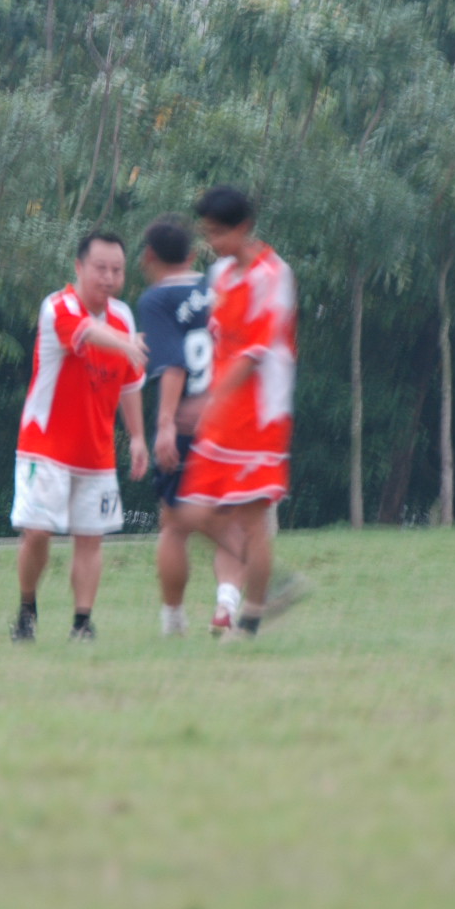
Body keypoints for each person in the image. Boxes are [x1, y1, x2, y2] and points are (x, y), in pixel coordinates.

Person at [9, 232, 149, 642]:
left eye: (117, 270)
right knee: (37, 532)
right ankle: (27, 609)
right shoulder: (58, 307)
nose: (109, 278)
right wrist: (126, 343)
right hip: (45, 446)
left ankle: (82, 623)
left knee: (91, 538)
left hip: (96, 451)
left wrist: (137, 437)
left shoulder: (123, 317)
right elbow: (86, 332)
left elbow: (130, 384)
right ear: (79, 268)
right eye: (100, 268)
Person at [174, 187, 298, 640]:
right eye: (207, 234)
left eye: (218, 233)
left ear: (243, 228)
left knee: (251, 521)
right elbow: (219, 342)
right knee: (190, 513)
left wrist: (207, 398)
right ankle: (278, 581)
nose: (212, 243)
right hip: (222, 413)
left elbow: (253, 352)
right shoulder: (220, 274)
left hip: (260, 417)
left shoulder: (273, 274)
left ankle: (251, 619)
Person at [135, 215, 245, 637]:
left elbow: (173, 363)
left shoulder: (157, 299)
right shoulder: (219, 287)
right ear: (194, 254)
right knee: (230, 517)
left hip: (185, 422)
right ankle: (226, 605)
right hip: (230, 419)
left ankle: (174, 620)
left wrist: (164, 423)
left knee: (174, 524)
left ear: (148, 257)